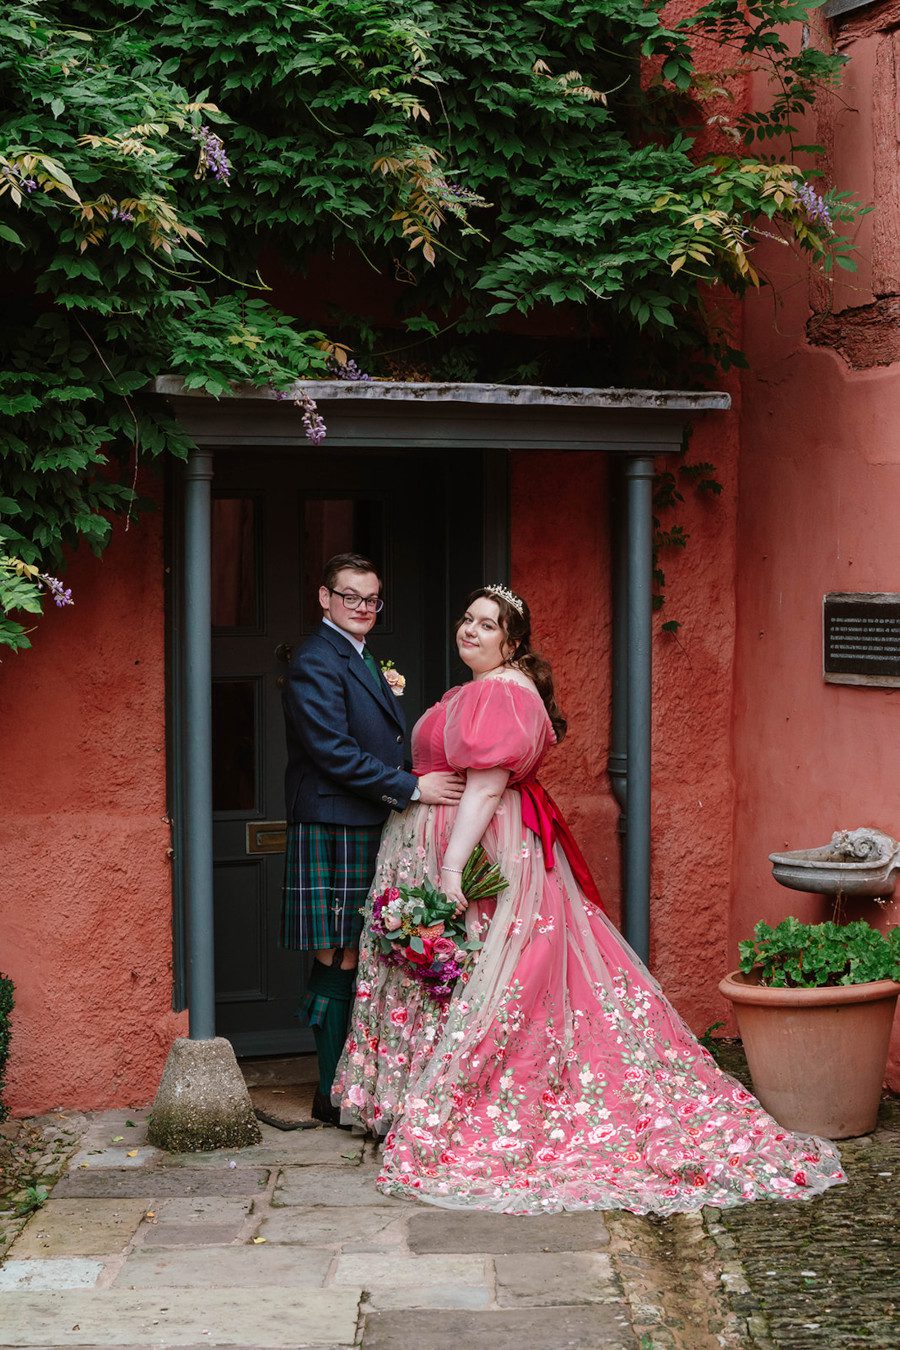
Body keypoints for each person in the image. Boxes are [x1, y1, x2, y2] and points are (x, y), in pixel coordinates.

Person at [333, 584, 845, 1213]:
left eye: (486, 625)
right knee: (462, 973)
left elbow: (487, 785)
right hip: (474, 840)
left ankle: (494, 1104)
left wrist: (451, 865)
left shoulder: (501, 692)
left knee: (487, 975)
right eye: (466, 619)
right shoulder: (486, 688)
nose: (469, 630)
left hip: (484, 850)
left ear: (512, 642)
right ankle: (435, 1092)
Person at [280, 552, 463, 1126]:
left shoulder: (355, 654)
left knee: (356, 950)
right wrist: (411, 786)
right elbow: (332, 751)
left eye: (372, 598)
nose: (363, 607)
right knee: (339, 949)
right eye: (351, 596)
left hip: (360, 819)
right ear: (324, 597)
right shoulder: (317, 658)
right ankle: (332, 1093)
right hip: (334, 819)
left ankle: (345, 1087)